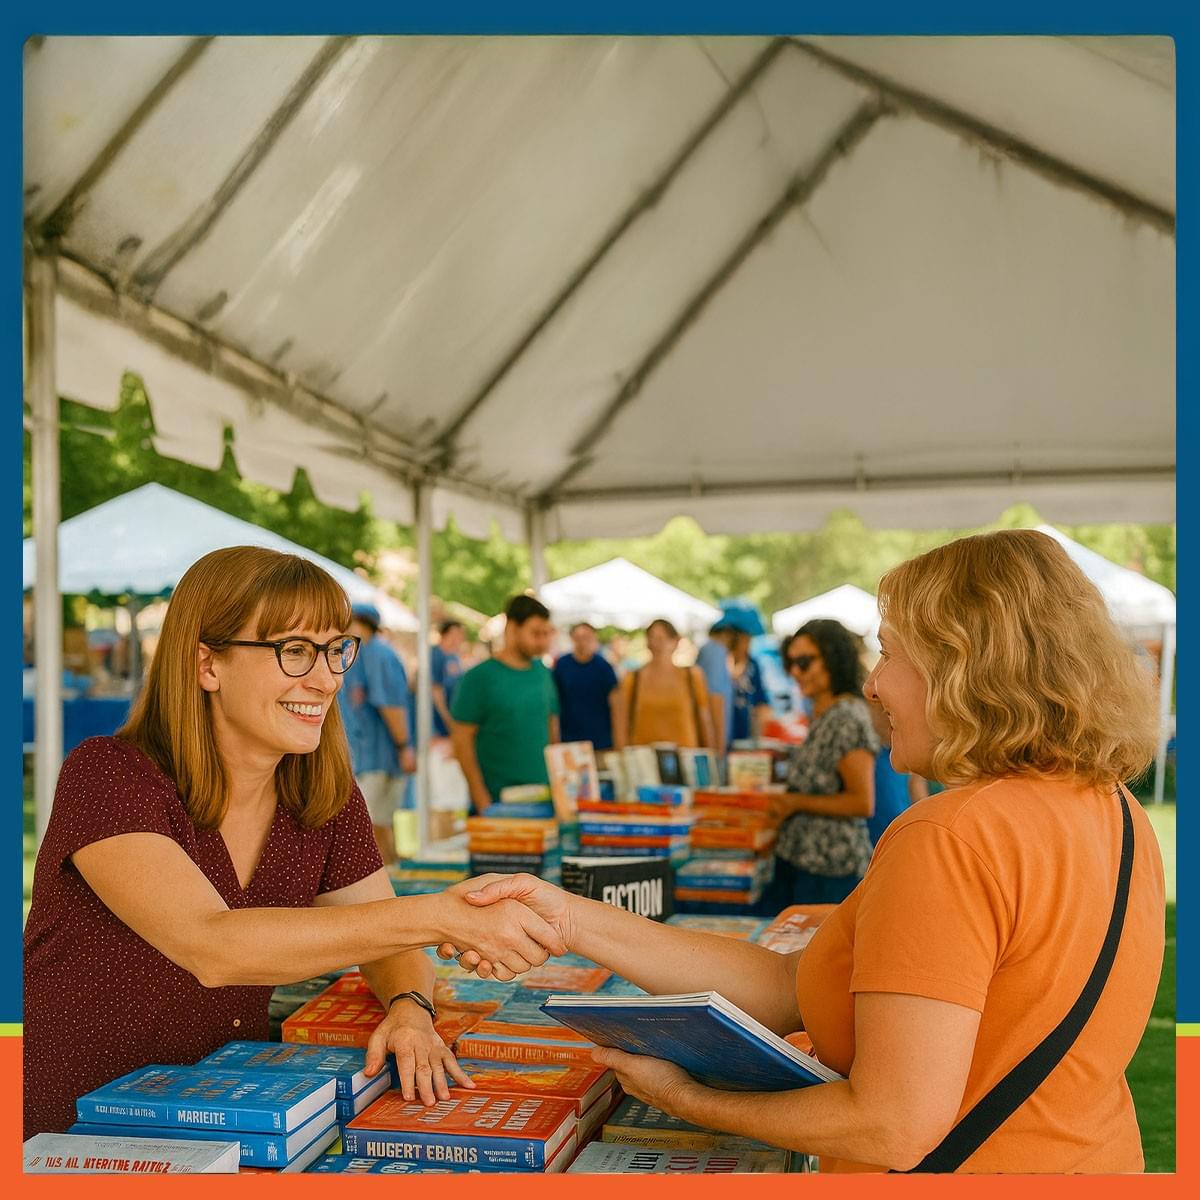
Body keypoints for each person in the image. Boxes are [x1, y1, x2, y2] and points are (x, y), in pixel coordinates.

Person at [445, 529, 1165, 1173]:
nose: (875, 684)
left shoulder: (948, 836)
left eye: (890, 654)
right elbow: (793, 985)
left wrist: (690, 1099)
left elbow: (891, 1127)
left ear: (963, 667)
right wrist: (570, 920)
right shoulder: (1117, 809)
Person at [22, 547, 566, 1138]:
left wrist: (411, 1009)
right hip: (68, 1126)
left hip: (225, 1119)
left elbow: (387, 941)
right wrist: (440, 915)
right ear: (208, 664)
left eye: (336, 649)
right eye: (295, 651)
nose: (327, 677)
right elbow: (214, 947)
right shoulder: (109, 776)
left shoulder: (323, 795)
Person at [769, 619, 878, 904]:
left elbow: (862, 802)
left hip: (831, 871)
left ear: (833, 659)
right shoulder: (824, 712)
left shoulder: (847, 716)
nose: (795, 672)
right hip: (807, 864)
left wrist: (795, 802)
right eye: (790, 663)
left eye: (804, 662)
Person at [449, 594, 559, 813]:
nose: (542, 641)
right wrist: (482, 801)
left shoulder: (543, 673)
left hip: (544, 798)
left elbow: (552, 728)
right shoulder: (479, 677)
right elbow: (461, 741)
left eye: (546, 634)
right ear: (512, 628)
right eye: (535, 633)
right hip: (499, 801)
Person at [339, 603, 415, 865]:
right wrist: (405, 745)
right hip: (370, 757)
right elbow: (391, 705)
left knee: (370, 830)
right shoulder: (369, 653)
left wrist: (403, 746)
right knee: (372, 830)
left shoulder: (367, 654)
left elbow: (390, 706)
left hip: (372, 756)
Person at [612, 619, 715, 750]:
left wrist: (711, 756)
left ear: (675, 642)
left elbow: (704, 719)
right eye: (652, 638)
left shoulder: (692, 676)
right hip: (644, 758)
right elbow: (622, 722)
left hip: (685, 757)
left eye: (662, 638)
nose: (657, 644)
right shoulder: (633, 678)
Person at [867, 697, 929, 845]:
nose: (890, 725)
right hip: (875, 837)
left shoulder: (909, 755)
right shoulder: (870, 752)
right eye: (886, 715)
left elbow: (918, 790)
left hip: (901, 833)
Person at [553, 622, 620, 750]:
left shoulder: (603, 667)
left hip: (601, 740)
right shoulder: (562, 665)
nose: (582, 642)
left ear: (594, 638)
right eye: (578, 638)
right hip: (569, 740)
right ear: (572, 639)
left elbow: (615, 703)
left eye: (586, 637)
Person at [694, 620, 736, 754]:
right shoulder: (715, 651)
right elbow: (715, 698)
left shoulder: (710, 650)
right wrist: (718, 748)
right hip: (714, 744)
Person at [731, 632, 773, 742]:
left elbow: (761, 701)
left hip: (747, 728)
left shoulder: (753, 665)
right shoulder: (724, 662)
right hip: (729, 727)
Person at [430, 620, 467, 739]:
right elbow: (436, 691)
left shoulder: (453, 657)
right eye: (455, 634)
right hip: (438, 723)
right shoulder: (435, 655)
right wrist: (449, 721)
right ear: (444, 634)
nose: (459, 639)